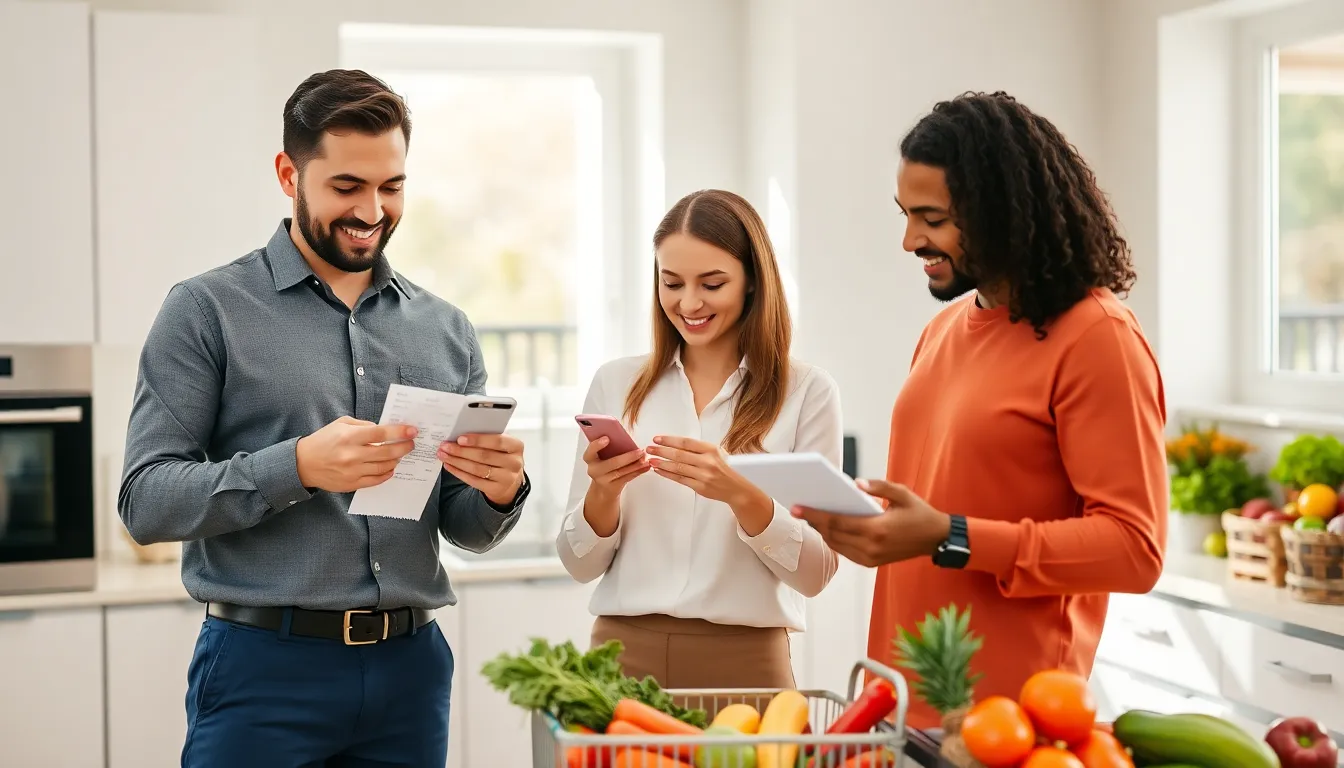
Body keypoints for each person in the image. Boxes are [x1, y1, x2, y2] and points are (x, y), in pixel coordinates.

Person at [118, 69, 530, 767]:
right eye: (347, 187)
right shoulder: (206, 310)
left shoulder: (446, 329)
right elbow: (145, 500)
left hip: (411, 673)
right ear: (289, 172)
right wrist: (299, 466)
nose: (372, 209)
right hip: (262, 673)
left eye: (391, 186)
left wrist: (497, 493)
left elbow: (462, 526)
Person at [793, 92, 1167, 730]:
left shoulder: (1097, 336)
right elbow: (943, 505)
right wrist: (874, 527)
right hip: (901, 704)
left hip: (1012, 719)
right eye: (906, 215)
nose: (911, 240)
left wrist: (951, 536)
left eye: (931, 218)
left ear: (998, 212)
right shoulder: (942, 332)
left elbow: (1135, 547)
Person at [556, 189, 842, 690]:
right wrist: (604, 492)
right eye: (672, 283)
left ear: (753, 281)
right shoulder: (616, 384)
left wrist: (739, 491)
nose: (688, 303)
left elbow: (816, 572)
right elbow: (579, 565)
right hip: (621, 658)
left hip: (747, 665)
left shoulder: (807, 393)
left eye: (712, 284)